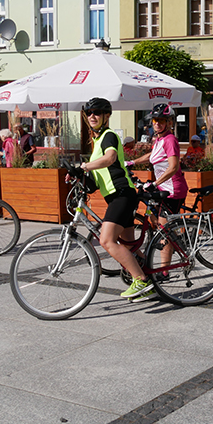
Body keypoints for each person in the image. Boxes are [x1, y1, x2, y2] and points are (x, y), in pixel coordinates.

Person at [79, 97, 154, 303]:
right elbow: (100, 175)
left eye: (97, 112)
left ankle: (140, 279)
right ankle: (150, 278)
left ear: (106, 116)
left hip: (122, 194)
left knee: (106, 240)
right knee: (128, 244)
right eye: (89, 112)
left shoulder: (108, 135)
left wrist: (86, 165)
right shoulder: (96, 141)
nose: (92, 116)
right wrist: (78, 175)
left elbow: (110, 159)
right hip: (117, 195)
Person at [130, 103, 189, 279]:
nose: (157, 124)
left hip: (172, 191)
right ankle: (171, 245)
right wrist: (132, 163)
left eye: (162, 120)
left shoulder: (170, 140)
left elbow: (173, 167)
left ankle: (164, 271)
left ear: (169, 122)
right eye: (155, 120)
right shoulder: (159, 139)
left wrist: (155, 183)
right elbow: (151, 156)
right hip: (163, 188)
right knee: (158, 224)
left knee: (165, 231)